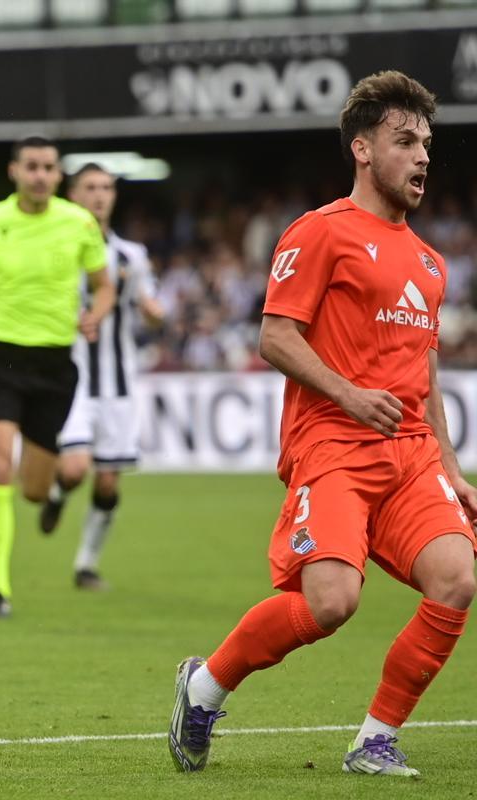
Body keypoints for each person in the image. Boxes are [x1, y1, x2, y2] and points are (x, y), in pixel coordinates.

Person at [169, 71, 477, 777]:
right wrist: (349, 395)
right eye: (405, 142)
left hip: (412, 456)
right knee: (331, 603)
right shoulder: (320, 232)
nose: (423, 156)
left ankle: (374, 740)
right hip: (334, 445)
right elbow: (275, 336)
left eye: (427, 142)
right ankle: (205, 686)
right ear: (363, 150)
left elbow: (424, 373)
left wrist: (453, 470)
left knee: (457, 578)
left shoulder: (431, 264)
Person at [0, 136, 113, 618]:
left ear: (58, 176)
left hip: (55, 365)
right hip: (0, 359)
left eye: (48, 167)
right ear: (14, 171)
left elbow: (103, 285)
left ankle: (52, 491)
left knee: (32, 488)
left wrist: (96, 313)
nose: (39, 175)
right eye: (31, 166)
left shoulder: (78, 224)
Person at [38, 164, 165, 590]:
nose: (100, 195)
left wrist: (153, 314)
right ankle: (57, 492)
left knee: (108, 480)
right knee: (74, 469)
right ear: (73, 194)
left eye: (107, 188)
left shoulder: (132, 256)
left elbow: (150, 312)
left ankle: (86, 565)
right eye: (90, 187)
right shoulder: (54, 248)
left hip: (118, 382)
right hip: (71, 377)